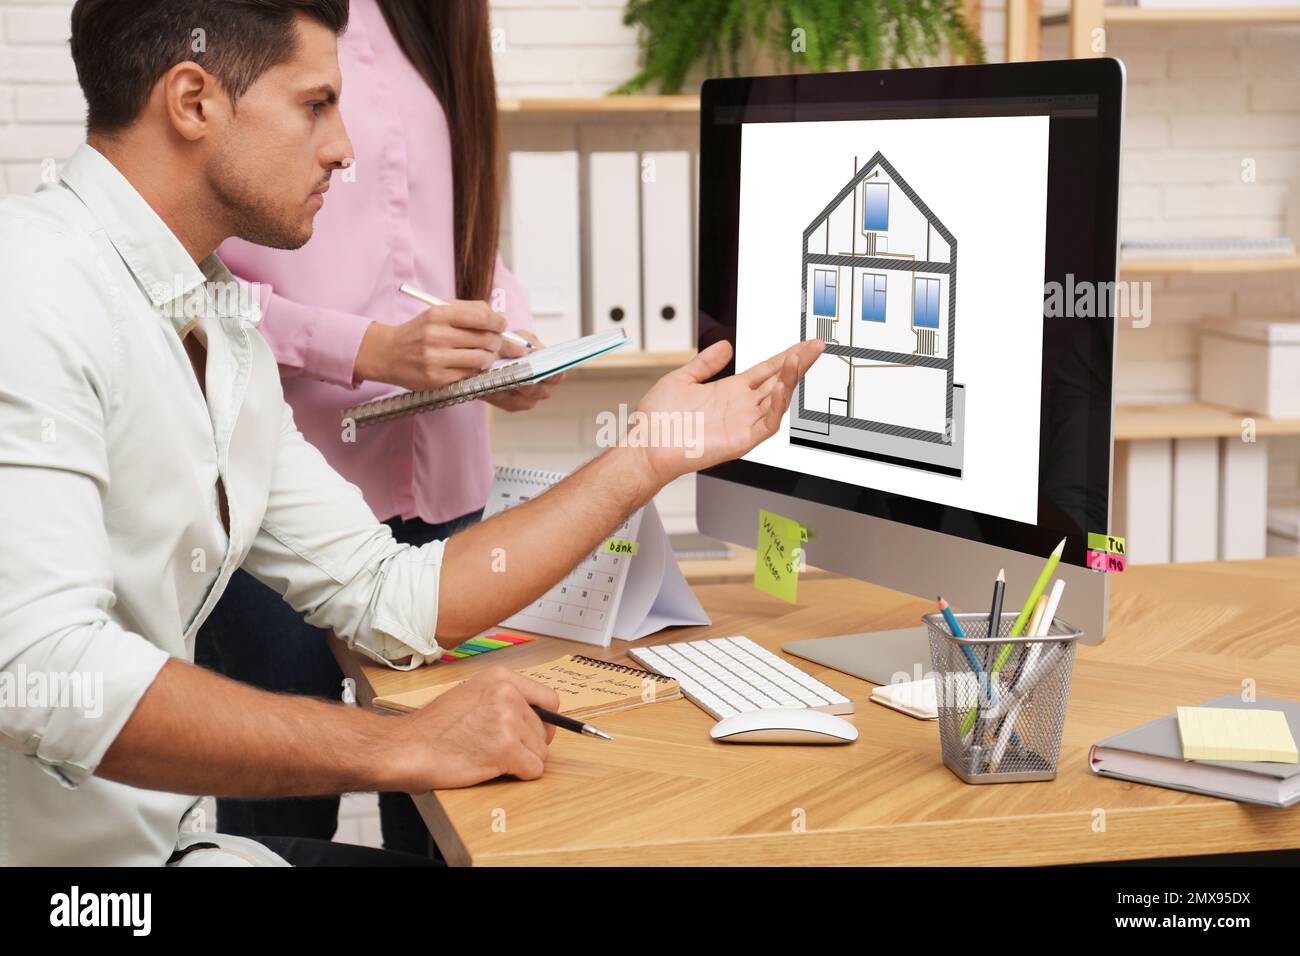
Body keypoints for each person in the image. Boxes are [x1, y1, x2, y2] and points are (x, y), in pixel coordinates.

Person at [0, 0, 823, 866]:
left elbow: (388, 596)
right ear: (195, 101)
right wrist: (402, 746)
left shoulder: (217, 326)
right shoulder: (32, 288)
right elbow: (45, 675)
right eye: (316, 104)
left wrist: (649, 455)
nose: (342, 147)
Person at [195, 0, 559, 855]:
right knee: (277, 817)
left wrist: (507, 335)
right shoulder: (246, 27)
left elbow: (463, 236)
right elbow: (196, 290)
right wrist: (365, 347)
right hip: (280, 503)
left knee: (449, 802)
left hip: (444, 498)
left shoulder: (435, 26)